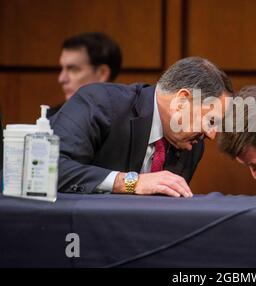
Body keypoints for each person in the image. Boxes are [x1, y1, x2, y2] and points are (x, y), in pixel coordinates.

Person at [50, 57, 233, 197]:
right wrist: (131, 182)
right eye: (211, 121)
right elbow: (51, 167)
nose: (212, 134)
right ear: (182, 101)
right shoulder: (100, 103)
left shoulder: (191, 144)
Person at [47, 32, 122, 117]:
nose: (61, 79)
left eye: (73, 69)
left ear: (102, 74)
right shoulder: (52, 119)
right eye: (62, 68)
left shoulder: (130, 122)